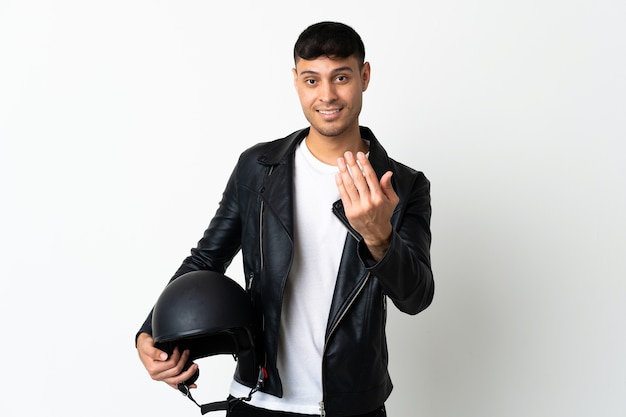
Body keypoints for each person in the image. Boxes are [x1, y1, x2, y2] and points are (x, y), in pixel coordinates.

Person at [136, 21, 434, 417]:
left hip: (352, 405)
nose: (326, 95)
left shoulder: (404, 185)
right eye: (312, 80)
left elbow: (416, 297)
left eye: (341, 77)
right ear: (296, 81)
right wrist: (151, 330)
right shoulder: (258, 168)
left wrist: (379, 237)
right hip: (256, 399)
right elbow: (206, 260)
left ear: (364, 76)